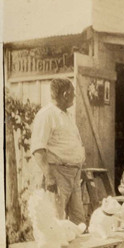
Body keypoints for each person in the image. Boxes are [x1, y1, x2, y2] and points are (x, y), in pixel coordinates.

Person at [31, 78, 86, 224]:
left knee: (78, 220)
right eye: (73, 93)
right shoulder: (46, 115)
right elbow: (38, 148)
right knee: (56, 220)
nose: (74, 96)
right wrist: (49, 177)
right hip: (58, 173)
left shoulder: (67, 115)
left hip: (74, 174)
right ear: (65, 94)